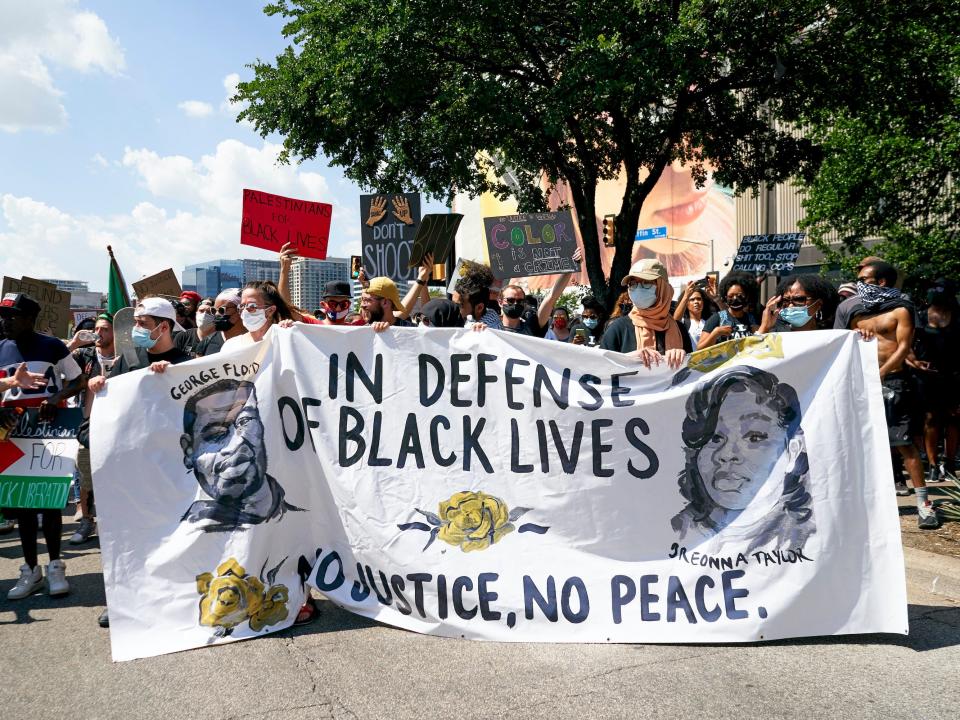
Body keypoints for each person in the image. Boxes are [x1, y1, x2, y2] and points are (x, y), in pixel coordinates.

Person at [835, 260, 939, 529]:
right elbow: (839, 344)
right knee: (862, 444)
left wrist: (881, 372)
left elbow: (903, 347)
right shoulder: (854, 311)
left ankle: (924, 505)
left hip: (893, 382)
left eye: (865, 279)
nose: (859, 284)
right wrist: (856, 332)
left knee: (904, 444)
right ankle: (864, 505)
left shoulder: (901, 310)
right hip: (861, 383)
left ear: (881, 282)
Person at [671, 366, 815, 553]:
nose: (727, 454)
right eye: (715, 438)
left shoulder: (816, 541)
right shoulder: (672, 534)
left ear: (793, 450)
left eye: (754, 437)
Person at [0, 292, 84, 600]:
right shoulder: (0, 349)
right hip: (12, 434)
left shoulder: (53, 346)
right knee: (23, 504)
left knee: (50, 502)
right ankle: (30, 569)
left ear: (30, 318)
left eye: (12, 316)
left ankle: (56, 566)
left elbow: (78, 380)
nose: (5, 321)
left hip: (51, 430)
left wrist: (55, 398)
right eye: (3, 316)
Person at [180, 379, 303, 532]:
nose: (237, 443)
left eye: (246, 422)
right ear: (189, 450)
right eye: (217, 434)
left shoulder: (308, 509)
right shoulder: (187, 536)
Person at [69, 312, 117, 545]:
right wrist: (75, 342)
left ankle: (115, 523)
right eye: (97, 329)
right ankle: (87, 520)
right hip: (88, 425)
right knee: (86, 477)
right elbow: (56, 364)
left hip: (118, 427)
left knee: (116, 477)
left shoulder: (128, 356)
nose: (99, 333)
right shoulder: (84, 354)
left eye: (105, 329)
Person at [599, 258, 691, 369]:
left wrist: (684, 358)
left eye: (646, 283)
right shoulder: (619, 329)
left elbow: (691, 374)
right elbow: (599, 369)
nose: (638, 289)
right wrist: (628, 359)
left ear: (663, 288)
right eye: (633, 283)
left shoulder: (680, 329)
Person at [911, 289, 960, 484]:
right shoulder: (920, 316)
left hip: (954, 375)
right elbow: (907, 343)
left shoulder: (957, 317)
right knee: (931, 419)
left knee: (954, 418)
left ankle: (949, 464)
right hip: (927, 375)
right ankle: (932, 464)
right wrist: (914, 362)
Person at [222, 281, 295, 352]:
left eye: (252, 306)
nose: (245, 311)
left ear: (270, 310)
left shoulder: (285, 341)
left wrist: (291, 330)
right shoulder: (230, 346)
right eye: (241, 306)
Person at [697, 271, 760, 348]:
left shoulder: (751, 319)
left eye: (739, 295)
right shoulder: (717, 318)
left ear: (746, 296)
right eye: (731, 296)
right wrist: (715, 333)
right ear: (725, 297)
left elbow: (759, 343)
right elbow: (699, 347)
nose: (735, 299)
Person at [758, 274, 840, 333]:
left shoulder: (831, 335)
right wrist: (764, 328)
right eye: (785, 300)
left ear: (818, 304)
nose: (790, 305)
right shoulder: (776, 335)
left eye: (799, 299)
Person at [195, 289, 246, 357]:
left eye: (222, 310)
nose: (217, 314)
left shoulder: (256, 340)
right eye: (213, 310)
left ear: (240, 309)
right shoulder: (207, 342)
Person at [452, 262, 502, 329]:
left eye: (459, 305)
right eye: (452, 303)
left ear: (479, 308)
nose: (453, 308)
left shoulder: (491, 331)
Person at [673, 281, 715, 348]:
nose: (696, 302)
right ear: (686, 303)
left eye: (699, 299)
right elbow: (675, 321)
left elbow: (726, 317)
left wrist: (717, 298)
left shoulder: (710, 320)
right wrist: (686, 296)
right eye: (692, 300)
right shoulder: (684, 322)